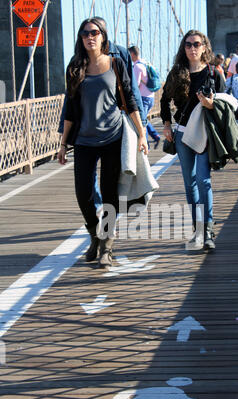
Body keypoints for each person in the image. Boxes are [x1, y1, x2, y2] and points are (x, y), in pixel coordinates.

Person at [57, 18, 148, 269]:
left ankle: (107, 246)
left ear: (103, 36)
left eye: (95, 33)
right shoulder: (75, 67)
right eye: (85, 33)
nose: (90, 37)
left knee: (109, 194)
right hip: (84, 140)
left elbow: (129, 100)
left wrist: (141, 134)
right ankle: (94, 233)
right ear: (81, 38)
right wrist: (63, 144)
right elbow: (71, 110)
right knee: (83, 194)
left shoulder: (116, 64)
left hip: (113, 138)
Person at [160, 30, 226, 252]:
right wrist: (167, 124)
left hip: (205, 132)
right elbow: (164, 100)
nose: (192, 48)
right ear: (183, 47)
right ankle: (198, 230)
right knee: (190, 184)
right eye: (188, 44)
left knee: (203, 180)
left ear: (205, 47)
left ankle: (207, 231)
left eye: (197, 44)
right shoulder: (177, 73)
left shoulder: (213, 73)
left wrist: (210, 105)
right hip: (182, 132)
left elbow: (226, 103)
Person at [129, 46, 161, 150]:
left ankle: (145, 143)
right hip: (150, 97)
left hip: (142, 98)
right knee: (143, 120)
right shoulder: (146, 63)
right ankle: (155, 135)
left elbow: (136, 85)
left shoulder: (137, 67)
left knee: (141, 121)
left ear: (133, 54)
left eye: (129, 54)